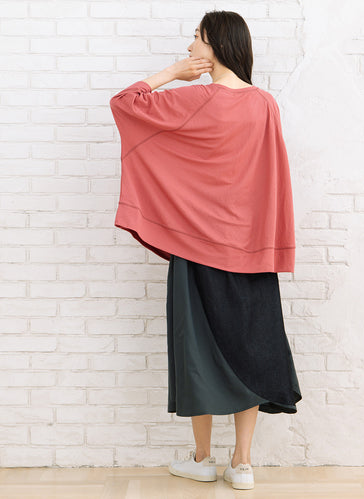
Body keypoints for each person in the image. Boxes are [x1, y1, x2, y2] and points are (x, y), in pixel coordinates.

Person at [110, 10, 302, 491]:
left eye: (196, 38)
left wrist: (173, 73)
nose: (190, 46)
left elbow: (125, 103)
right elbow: (273, 180)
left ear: (214, 44)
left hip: (195, 246)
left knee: (196, 348)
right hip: (250, 249)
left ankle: (202, 458)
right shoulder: (264, 104)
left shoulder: (193, 99)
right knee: (250, 348)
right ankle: (242, 463)